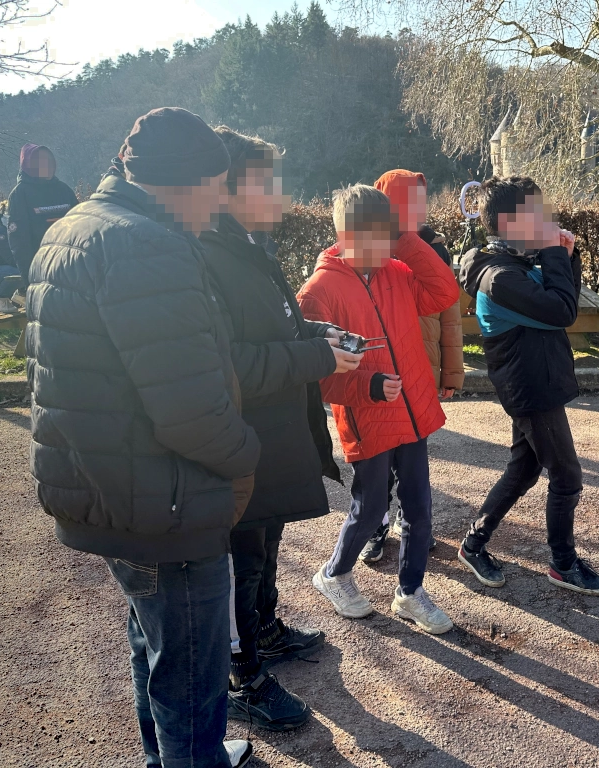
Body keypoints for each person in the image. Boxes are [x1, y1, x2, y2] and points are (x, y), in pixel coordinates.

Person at [26, 107, 260, 768]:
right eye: (216, 187)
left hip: (111, 494)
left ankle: (169, 756)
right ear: (182, 180)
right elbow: (189, 411)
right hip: (167, 505)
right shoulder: (145, 246)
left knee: (155, 645)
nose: (219, 204)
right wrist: (246, 456)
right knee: (191, 678)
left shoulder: (76, 227)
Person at [199, 127, 364, 731]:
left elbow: (280, 328)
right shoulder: (211, 256)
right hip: (246, 432)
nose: (281, 194)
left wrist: (322, 337)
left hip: (274, 427)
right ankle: (243, 675)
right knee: (243, 554)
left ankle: (264, 631)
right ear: (229, 188)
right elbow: (233, 361)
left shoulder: (248, 246)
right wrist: (317, 356)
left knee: (266, 541)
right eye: (267, 182)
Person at [297, 184, 460, 634]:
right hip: (369, 419)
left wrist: (408, 238)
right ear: (343, 235)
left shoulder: (397, 269)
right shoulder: (319, 291)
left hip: (414, 414)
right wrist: (368, 385)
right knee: (369, 511)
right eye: (371, 240)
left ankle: (410, 592)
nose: (380, 250)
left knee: (420, 509)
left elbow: (445, 291)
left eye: (387, 238)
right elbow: (315, 373)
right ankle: (333, 574)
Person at [456, 176, 599, 596]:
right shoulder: (500, 276)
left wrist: (566, 256)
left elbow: (564, 300)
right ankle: (563, 564)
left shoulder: (516, 262)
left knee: (524, 469)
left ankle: (473, 544)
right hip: (530, 390)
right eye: (536, 212)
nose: (545, 218)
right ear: (510, 221)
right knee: (567, 476)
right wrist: (552, 252)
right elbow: (561, 311)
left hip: (537, 381)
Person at [359, 169, 465, 563]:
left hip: (419, 370)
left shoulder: (434, 247)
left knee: (413, 460)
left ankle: (408, 520)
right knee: (377, 459)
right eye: (410, 202)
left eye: (422, 201)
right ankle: (375, 525)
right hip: (381, 368)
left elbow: (449, 316)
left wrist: (450, 371)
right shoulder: (369, 247)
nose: (419, 209)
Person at [6, 143, 79, 287]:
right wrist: (29, 279)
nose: (46, 166)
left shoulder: (64, 189)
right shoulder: (20, 194)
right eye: (40, 162)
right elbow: (19, 242)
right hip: (42, 268)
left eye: (49, 161)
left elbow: (81, 223)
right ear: (29, 165)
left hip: (72, 264)